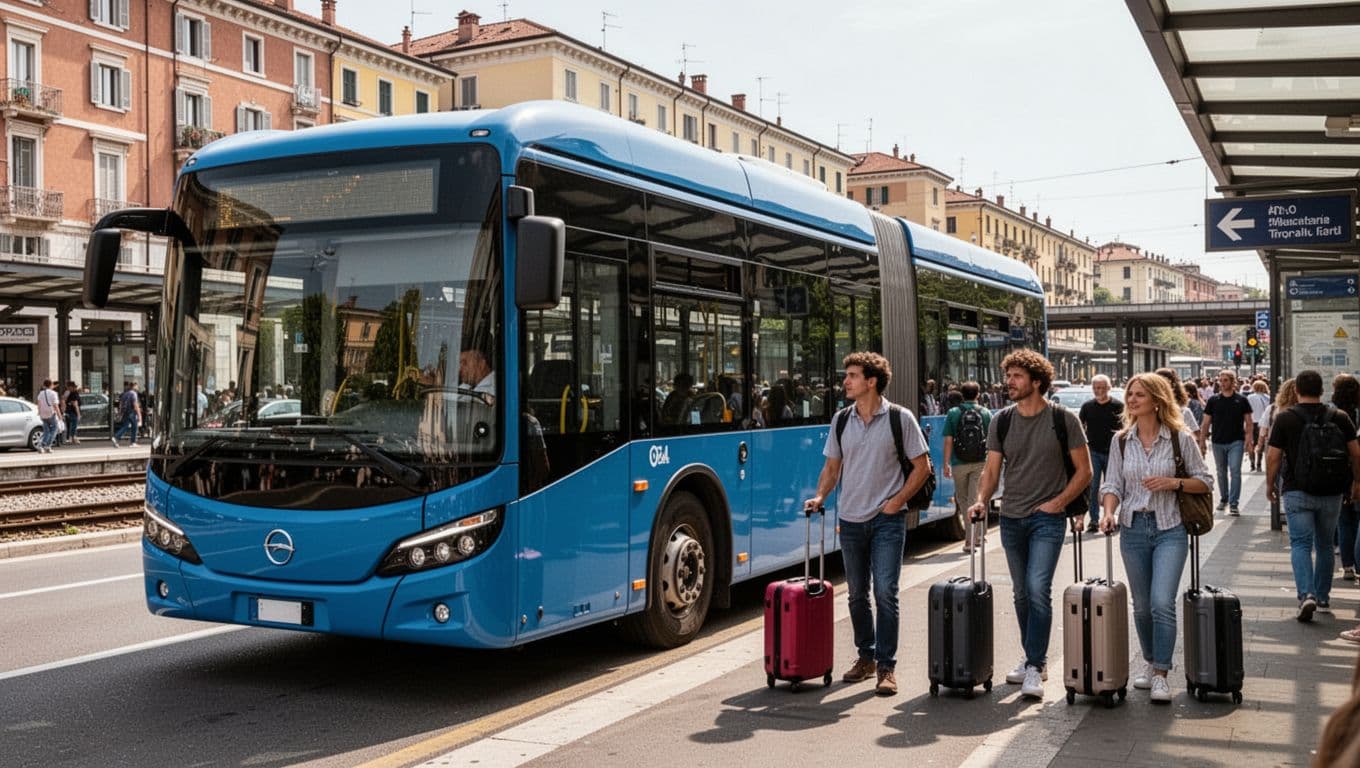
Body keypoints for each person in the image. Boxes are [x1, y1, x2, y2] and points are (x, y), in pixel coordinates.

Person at [968, 349, 1092, 701]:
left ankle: (1035, 665)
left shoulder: (1063, 419)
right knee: (1021, 593)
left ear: (1036, 382)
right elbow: (991, 472)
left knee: (1038, 589)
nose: (1009, 382)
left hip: (1047, 520)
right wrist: (981, 500)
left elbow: (1085, 472)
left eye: (1017, 376)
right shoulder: (1001, 420)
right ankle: (1032, 657)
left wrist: (1058, 504)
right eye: (1008, 376)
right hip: (1011, 517)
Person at [804, 352, 929, 697]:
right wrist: (820, 497)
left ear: (871, 381)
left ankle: (886, 666)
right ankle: (866, 657)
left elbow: (923, 467)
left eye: (852, 376)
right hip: (851, 518)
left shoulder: (900, 419)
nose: (845, 381)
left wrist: (897, 501)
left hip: (886, 519)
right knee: (857, 595)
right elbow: (832, 469)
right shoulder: (841, 420)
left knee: (885, 592)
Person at [1098, 373, 1212, 703]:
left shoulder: (1179, 438)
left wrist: (1172, 483)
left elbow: (1205, 481)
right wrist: (1108, 512)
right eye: (1130, 394)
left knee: (1163, 602)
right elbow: (1112, 484)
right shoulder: (1121, 440)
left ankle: (1162, 672)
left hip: (1169, 528)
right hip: (1133, 529)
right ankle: (1149, 662)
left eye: (1139, 395)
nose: (1131, 400)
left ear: (1157, 400)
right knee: (1143, 606)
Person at [1266, 370, 1360, 622]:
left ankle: (1305, 594)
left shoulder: (1286, 418)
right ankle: (1323, 597)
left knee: (1300, 544)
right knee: (1326, 545)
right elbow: (1356, 453)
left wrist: (1269, 485)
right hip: (1331, 492)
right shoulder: (1339, 417)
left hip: (1297, 490)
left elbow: (1273, 456)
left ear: (1297, 390)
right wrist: (1357, 482)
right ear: (1322, 391)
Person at [943, 381, 992, 553]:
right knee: (976, 498)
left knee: (963, 501)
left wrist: (946, 463)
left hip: (958, 463)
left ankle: (971, 539)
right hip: (980, 462)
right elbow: (992, 442)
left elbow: (948, 439)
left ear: (962, 395)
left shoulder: (953, 413)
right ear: (978, 395)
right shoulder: (985, 413)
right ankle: (977, 537)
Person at [1199, 368, 1254, 516]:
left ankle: (1234, 503)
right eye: (1220, 380)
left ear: (1232, 382)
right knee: (1221, 472)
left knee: (1235, 471)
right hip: (1217, 441)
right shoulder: (1213, 400)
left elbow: (1249, 422)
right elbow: (1205, 423)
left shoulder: (1242, 400)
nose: (1222, 383)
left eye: (1225, 380)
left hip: (1236, 440)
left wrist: (1249, 439)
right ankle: (1224, 498)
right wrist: (1202, 441)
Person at [1079, 374, 1124, 534]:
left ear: (1109, 388)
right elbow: (1080, 429)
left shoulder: (1118, 406)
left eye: (1102, 388)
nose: (1099, 391)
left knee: (1115, 485)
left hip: (1114, 452)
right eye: (1096, 388)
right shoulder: (1087, 407)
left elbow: (1126, 428)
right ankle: (1093, 520)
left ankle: (1115, 517)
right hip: (1094, 452)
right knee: (1093, 487)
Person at [1331, 375, 1360, 587]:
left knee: (1344, 520)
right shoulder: (1357, 413)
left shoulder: (1332, 414)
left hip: (1339, 471)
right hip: (1357, 471)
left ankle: (1348, 565)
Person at [1246, 380, 1272, 472]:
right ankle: (1259, 464)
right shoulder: (1268, 398)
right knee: (1260, 443)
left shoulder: (1250, 397)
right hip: (1263, 423)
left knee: (1250, 443)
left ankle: (1252, 463)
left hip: (1252, 421)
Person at [112, 381, 142, 447]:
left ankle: (116, 437)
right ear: (134, 386)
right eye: (137, 385)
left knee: (125, 426)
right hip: (131, 412)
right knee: (134, 426)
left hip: (125, 412)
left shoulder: (125, 394)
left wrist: (120, 412)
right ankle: (133, 442)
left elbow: (121, 404)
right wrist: (139, 414)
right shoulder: (134, 394)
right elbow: (135, 405)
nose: (137, 387)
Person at [35, 379, 60, 453]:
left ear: (44, 385)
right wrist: (59, 415)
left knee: (46, 431)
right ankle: (47, 445)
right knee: (55, 428)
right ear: (51, 385)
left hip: (43, 414)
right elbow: (55, 405)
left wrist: (39, 412)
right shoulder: (53, 393)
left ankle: (41, 446)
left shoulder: (41, 393)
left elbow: (39, 404)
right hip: (51, 413)